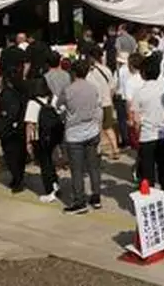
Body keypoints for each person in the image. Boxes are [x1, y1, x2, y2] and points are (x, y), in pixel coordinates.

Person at [60, 59, 105, 213]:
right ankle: (96, 197)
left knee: (77, 170)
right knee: (94, 167)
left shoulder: (68, 90)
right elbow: (98, 108)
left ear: (73, 72)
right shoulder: (93, 88)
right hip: (92, 131)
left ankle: (80, 202)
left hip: (74, 134)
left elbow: (59, 106)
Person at [131, 53, 164, 187]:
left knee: (148, 173)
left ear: (143, 73)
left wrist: (137, 134)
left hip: (147, 136)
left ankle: (151, 195)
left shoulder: (139, 92)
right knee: (163, 170)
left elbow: (136, 120)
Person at [25, 79, 62, 203]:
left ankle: (50, 190)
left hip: (40, 137)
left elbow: (30, 124)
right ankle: (56, 184)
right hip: (54, 135)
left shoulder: (33, 103)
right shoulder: (53, 98)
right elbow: (61, 112)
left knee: (45, 164)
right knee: (51, 162)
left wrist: (28, 142)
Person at [0, 69, 28, 193]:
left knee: (10, 155)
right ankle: (18, 177)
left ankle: (17, 180)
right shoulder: (23, 91)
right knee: (20, 154)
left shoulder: (6, 93)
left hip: (8, 128)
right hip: (21, 127)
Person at [85, 46, 120, 161]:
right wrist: (109, 97)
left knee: (96, 129)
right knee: (108, 127)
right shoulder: (106, 70)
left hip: (96, 104)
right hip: (107, 102)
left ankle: (98, 151)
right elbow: (113, 87)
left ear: (91, 57)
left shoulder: (89, 72)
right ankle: (115, 149)